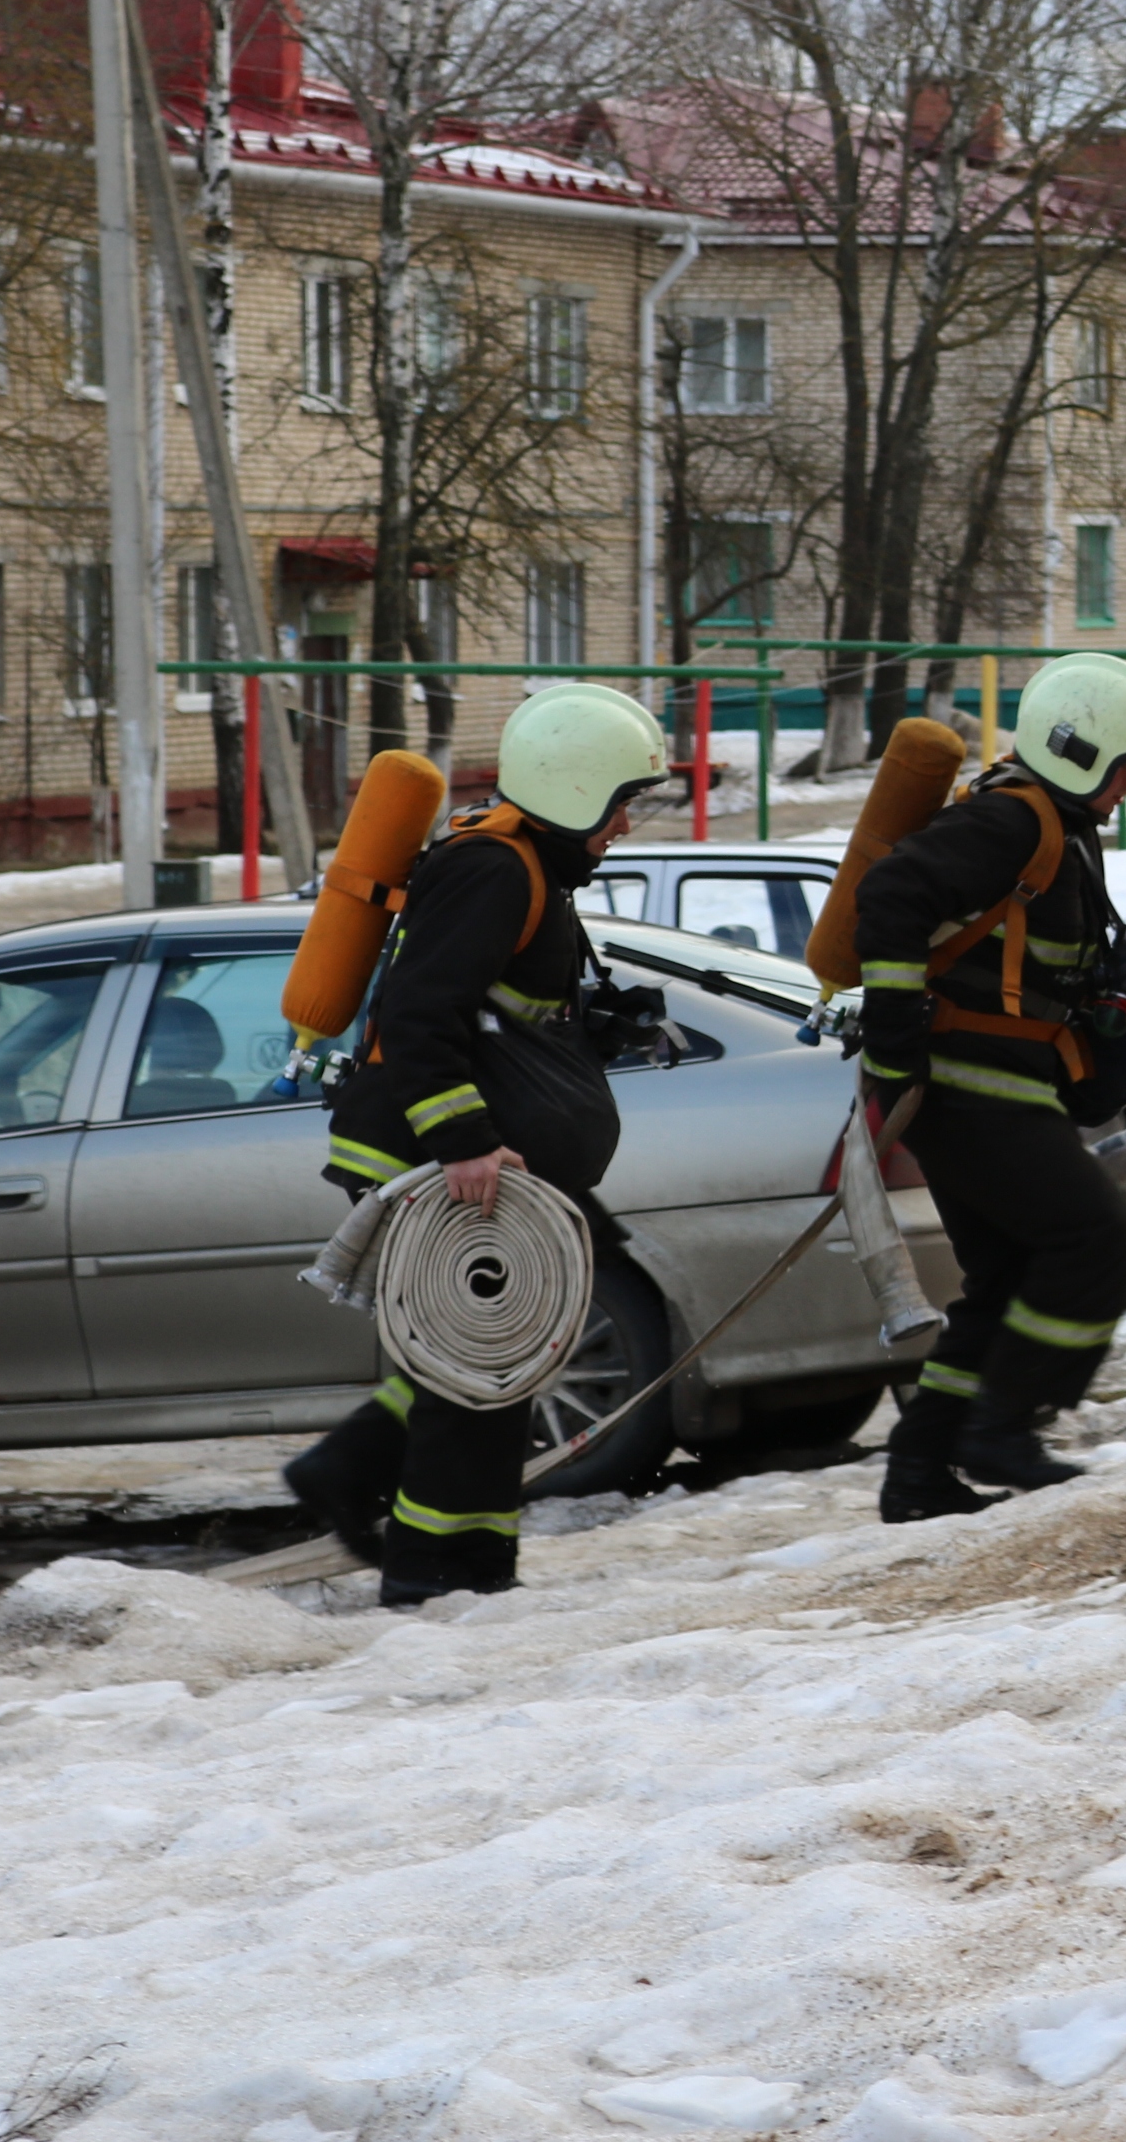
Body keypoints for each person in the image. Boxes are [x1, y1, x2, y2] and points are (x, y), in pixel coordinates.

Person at [282, 684, 672, 1605]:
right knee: (479, 1366)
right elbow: (422, 1013)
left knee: (509, 1348)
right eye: (619, 805)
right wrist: (462, 1142)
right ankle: (433, 1571)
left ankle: (421, 1523)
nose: (623, 826)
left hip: (498, 1163)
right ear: (573, 790)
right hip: (440, 1161)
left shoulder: (528, 867)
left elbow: (506, 1009)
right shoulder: (494, 868)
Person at [852, 651, 1126, 1521]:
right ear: (1076, 751)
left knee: (1004, 1281)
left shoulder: (1059, 827)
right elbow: (890, 898)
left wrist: (1125, 979)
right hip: (968, 1086)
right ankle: (1003, 1426)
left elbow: (1025, 963)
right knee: (1096, 1239)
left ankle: (918, 1477)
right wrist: (893, 1040)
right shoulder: (1013, 820)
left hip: (1000, 1084)